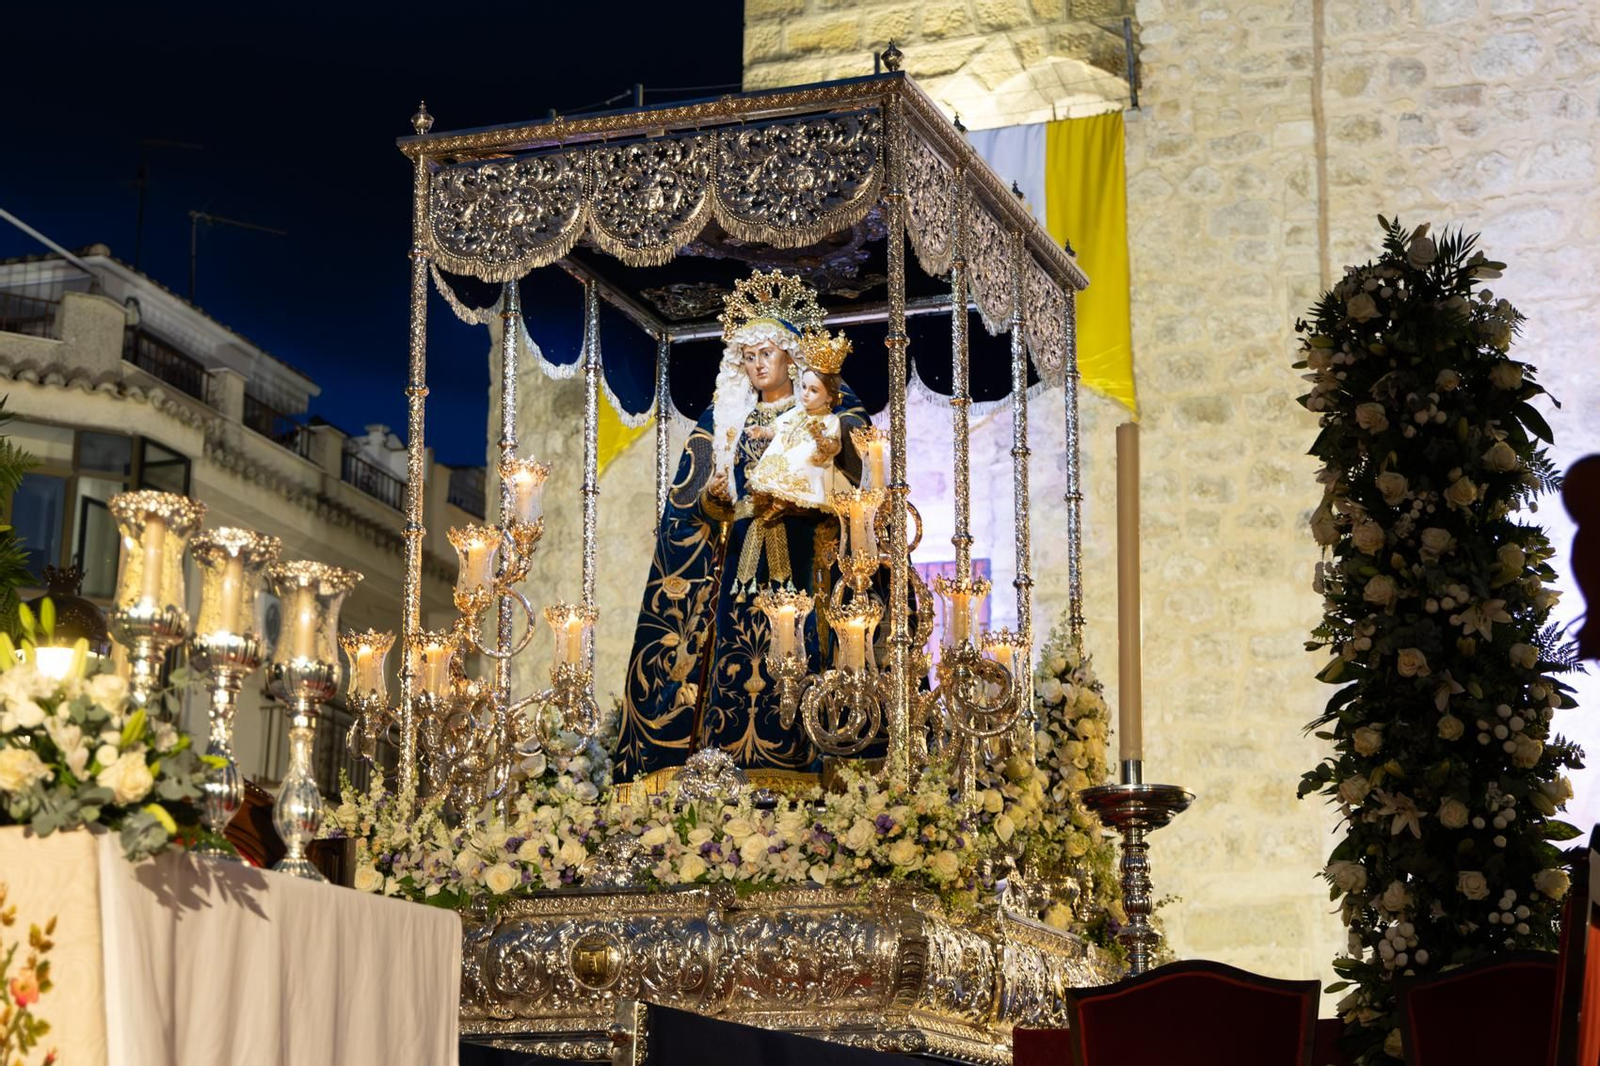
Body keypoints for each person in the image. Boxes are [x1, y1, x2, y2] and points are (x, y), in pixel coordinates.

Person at [614, 271, 869, 787]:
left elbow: (857, 459)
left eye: (766, 354)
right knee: (731, 657)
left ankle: (809, 763)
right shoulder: (724, 418)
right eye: (748, 357)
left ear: (790, 358)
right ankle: (725, 765)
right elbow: (692, 504)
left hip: (803, 552)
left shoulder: (820, 408)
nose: (757, 365)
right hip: (740, 565)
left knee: (805, 650)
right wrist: (716, 497)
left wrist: (818, 456)